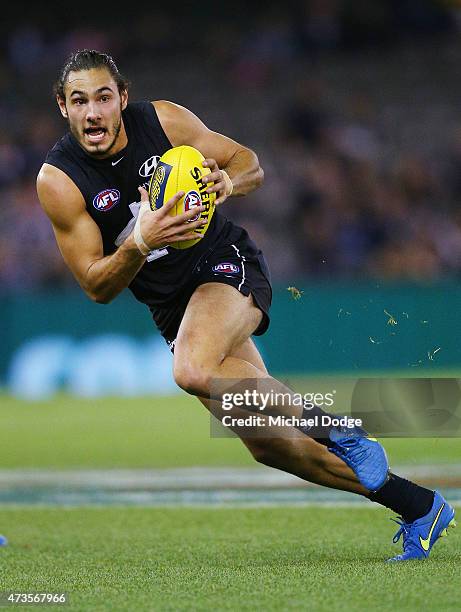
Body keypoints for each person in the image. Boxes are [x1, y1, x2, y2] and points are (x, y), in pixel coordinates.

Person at [37, 50, 455, 561]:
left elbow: (248, 162)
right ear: (63, 106)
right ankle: (419, 505)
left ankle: (338, 429)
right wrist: (139, 243)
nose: (93, 112)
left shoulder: (163, 121)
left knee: (192, 369)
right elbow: (95, 285)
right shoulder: (58, 180)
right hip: (171, 306)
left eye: (104, 97)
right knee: (269, 444)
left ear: (123, 99)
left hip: (224, 265)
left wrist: (229, 182)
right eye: (79, 101)